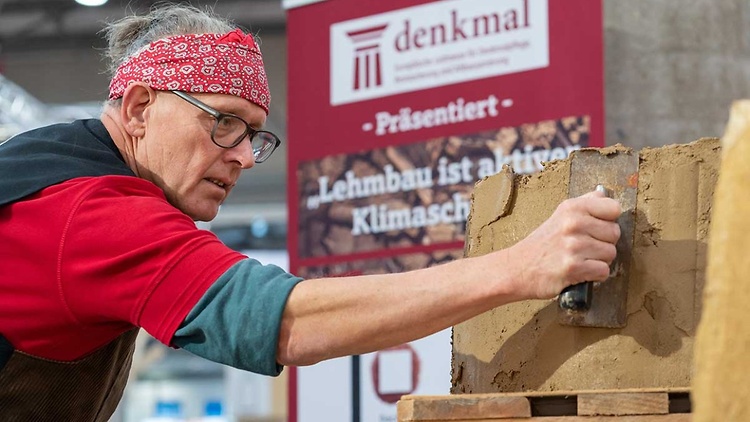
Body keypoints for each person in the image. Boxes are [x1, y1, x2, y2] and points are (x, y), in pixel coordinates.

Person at [0, 4, 621, 421]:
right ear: (138, 108)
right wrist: (522, 268)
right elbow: (286, 322)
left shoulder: (53, 168)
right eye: (223, 123)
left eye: (254, 134)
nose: (243, 156)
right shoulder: (89, 210)